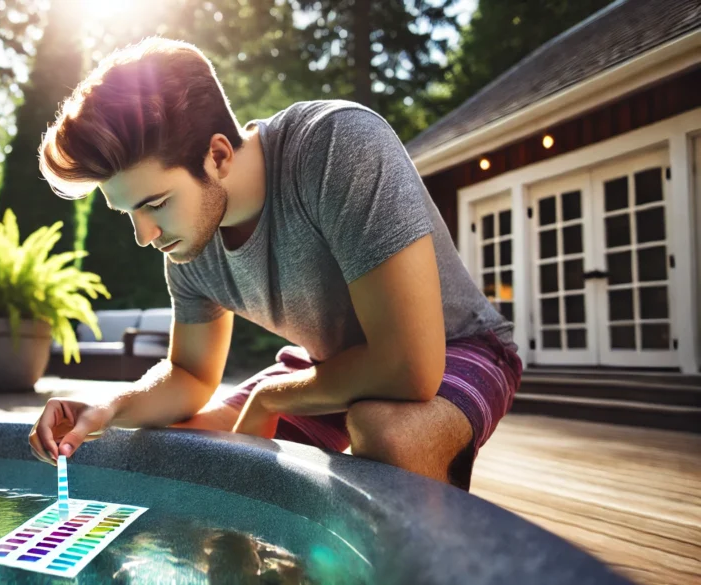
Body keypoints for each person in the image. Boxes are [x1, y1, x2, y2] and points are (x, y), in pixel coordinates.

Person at [28, 37, 522, 490]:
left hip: (457, 347)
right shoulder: (188, 241)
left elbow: (410, 368)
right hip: (329, 366)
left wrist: (271, 398)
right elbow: (191, 374)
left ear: (218, 155)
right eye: (128, 213)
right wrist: (109, 407)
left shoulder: (335, 145)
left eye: (155, 203)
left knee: (386, 430)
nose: (144, 235)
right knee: (191, 448)